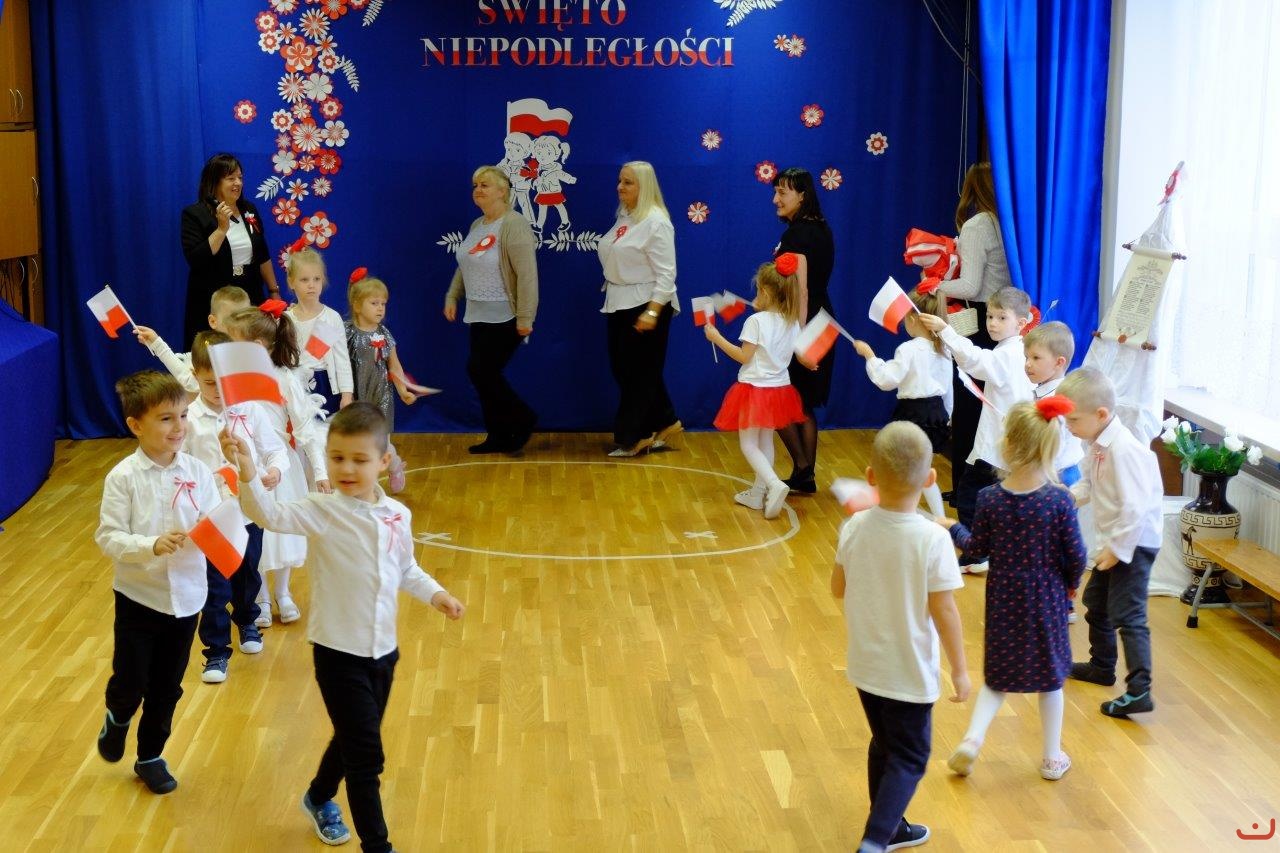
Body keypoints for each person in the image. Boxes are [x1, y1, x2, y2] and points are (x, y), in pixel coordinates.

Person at [221, 403, 465, 853]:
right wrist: (248, 471)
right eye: (337, 458)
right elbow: (268, 514)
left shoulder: (397, 515)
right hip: (337, 655)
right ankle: (377, 845)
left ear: (383, 461)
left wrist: (437, 594)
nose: (346, 469)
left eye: (359, 459)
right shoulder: (322, 510)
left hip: (383, 653)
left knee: (354, 735)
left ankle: (317, 796)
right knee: (366, 756)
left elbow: (405, 567)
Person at [831, 421, 969, 853]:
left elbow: (837, 588)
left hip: (866, 666)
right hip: (908, 672)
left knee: (885, 745)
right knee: (909, 757)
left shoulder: (854, 527)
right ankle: (875, 840)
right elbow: (945, 612)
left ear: (871, 476)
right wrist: (960, 670)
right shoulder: (933, 539)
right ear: (930, 479)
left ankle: (891, 830)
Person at [938, 399, 1087, 782]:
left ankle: (972, 740)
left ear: (1007, 445)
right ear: (1052, 448)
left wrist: (953, 527)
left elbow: (976, 549)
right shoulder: (1059, 501)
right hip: (1047, 601)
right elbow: (1077, 554)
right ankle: (1052, 757)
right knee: (1051, 681)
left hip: (1004, 600)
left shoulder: (990, 498)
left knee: (997, 678)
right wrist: (1071, 586)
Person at [132, 328, 289, 682]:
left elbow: (274, 450)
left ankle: (247, 621)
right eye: (208, 383)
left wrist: (275, 471)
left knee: (248, 575)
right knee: (214, 587)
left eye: (223, 382)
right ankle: (216, 652)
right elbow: (176, 462)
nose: (217, 390)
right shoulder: (188, 418)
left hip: (249, 511)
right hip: (211, 517)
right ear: (195, 377)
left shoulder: (250, 410)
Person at [93, 370, 220, 794]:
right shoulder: (123, 477)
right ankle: (118, 715)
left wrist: (216, 530)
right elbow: (108, 536)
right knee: (130, 680)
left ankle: (150, 755)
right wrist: (150, 544)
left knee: (167, 685)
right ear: (136, 425)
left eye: (183, 416)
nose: (179, 426)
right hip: (139, 597)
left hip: (187, 598)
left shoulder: (199, 472)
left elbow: (215, 521)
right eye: (166, 418)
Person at [1059, 367, 1163, 718]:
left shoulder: (1124, 450)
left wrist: (1117, 550)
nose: (1068, 426)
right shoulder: (1095, 444)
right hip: (1116, 540)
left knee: (1128, 614)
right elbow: (1088, 484)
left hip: (1135, 543)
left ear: (1101, 414)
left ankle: (1140, 691)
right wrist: (1068, 497)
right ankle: (1102, 667)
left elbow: (1136, 507)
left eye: (1073, 419)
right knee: (1096, 602)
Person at [225, 304, 329, 627]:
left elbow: (306, 428)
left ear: (256, 346)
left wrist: (320, 471)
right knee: (254, 533)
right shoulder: (230, 381)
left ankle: (283, 593)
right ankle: (260, 597)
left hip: (280, 467)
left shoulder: (284, 379)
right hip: (246, 465)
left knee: (280, 532)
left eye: (233, 342)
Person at [918, 286, 1035, 572]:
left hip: (997, 445)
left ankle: (976, 553)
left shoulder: (1009, 354)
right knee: (990, 498)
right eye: (990, 316)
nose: (992, 323)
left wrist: (946, 331)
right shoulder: (1015, 350)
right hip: (1000, 444)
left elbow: (977, 361)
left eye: (1001, 318)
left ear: (1021, 322)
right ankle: (989, 550)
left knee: (969, 495)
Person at [443, 166, 539, 455]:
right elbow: (466, 265)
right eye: (475, 185)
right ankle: (498, 435)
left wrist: (526, 317)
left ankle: (523, 418)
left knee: (481, 370)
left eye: (484, 185)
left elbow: (527, 275)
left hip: (505, 314)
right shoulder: (478, 225)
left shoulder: (514, 224)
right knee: (483, 375)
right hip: (478, 313)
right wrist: (453, 295)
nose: (478, 190)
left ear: (502, 191)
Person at [705, 254, 806, 520]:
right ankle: (757, 494)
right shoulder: (792, 322)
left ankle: (773, 484)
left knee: (749, 445)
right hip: (779, 390)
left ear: (765, 292)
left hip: (754, 390)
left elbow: (743, 356)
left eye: (758, 290)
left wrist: (716, 337)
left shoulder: (756, 322)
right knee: (765, 441)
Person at [936, 162, 1012, 504]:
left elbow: (970, 285)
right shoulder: (1009, 222)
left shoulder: (978, 225)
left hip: (980, 319)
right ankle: (986, 487)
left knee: (968, 405)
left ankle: (964, 489)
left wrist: (935, 285)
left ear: (972, 189)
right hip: (1006, 319)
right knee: (992, 403)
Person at [597, 160, 683, 457]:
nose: (620, 187)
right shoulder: (626, 216)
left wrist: (653, 311)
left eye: (628, 182)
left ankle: (636, 436)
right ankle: (666, 419)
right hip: (619, 302)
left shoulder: (656, 222)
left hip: (645, 303)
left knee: (638, 374)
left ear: (644, 187)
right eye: (620, 181)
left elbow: (667, 273)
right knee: (627, 370)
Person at [853, 284, 954, 518]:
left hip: (912, 414)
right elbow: (948, 390)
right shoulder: (944, 348)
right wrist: (947, 417)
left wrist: (870, 356)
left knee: (895, 463)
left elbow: (886, 380)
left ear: (913, 318)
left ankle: (892, 508)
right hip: (936, 415)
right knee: (923, 468)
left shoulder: (908, 349)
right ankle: (937, 517)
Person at [770, 167, 836, 494]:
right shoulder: (821, 229)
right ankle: (804, 475)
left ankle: (803, 469)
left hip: (804, 322)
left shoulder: (797, 235)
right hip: (823, 321)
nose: (775, 199)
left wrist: (795, 336)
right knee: (802, 401)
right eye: (775, 191)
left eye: (782, 192)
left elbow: (801, 290)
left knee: (781, 397)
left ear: (802, 195)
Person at [181, 153, 281, 346]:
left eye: (240, 178)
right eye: (230, 178)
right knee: (214, 352)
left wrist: (273, 291)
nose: (238, 183)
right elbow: (196, 259)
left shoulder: (249, 210)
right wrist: (221, 229)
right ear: (214, 182)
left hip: (250, 294)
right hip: (213, 297)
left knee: (251, 347)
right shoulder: (194, 214)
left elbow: (262, 253)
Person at [348, 271, 416, 491]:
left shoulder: (384, 334)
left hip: (381, 398)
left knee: (380, 444)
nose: (380, 308)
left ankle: (392, 466)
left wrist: (403, 390)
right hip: (357, 398)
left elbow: (394, 366)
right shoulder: (347, 333)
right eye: (374, 303)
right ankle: (370, 485)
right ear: (357, 306)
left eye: (383, 304)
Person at [286, 247, 354, 417]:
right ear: (291, 282)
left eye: (316, 279)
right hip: (296, 387)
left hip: (326, 385)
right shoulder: (286, 319)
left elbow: (342, 360)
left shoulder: (331, 318)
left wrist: (347, 395)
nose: (311, 285)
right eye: (304, 279)